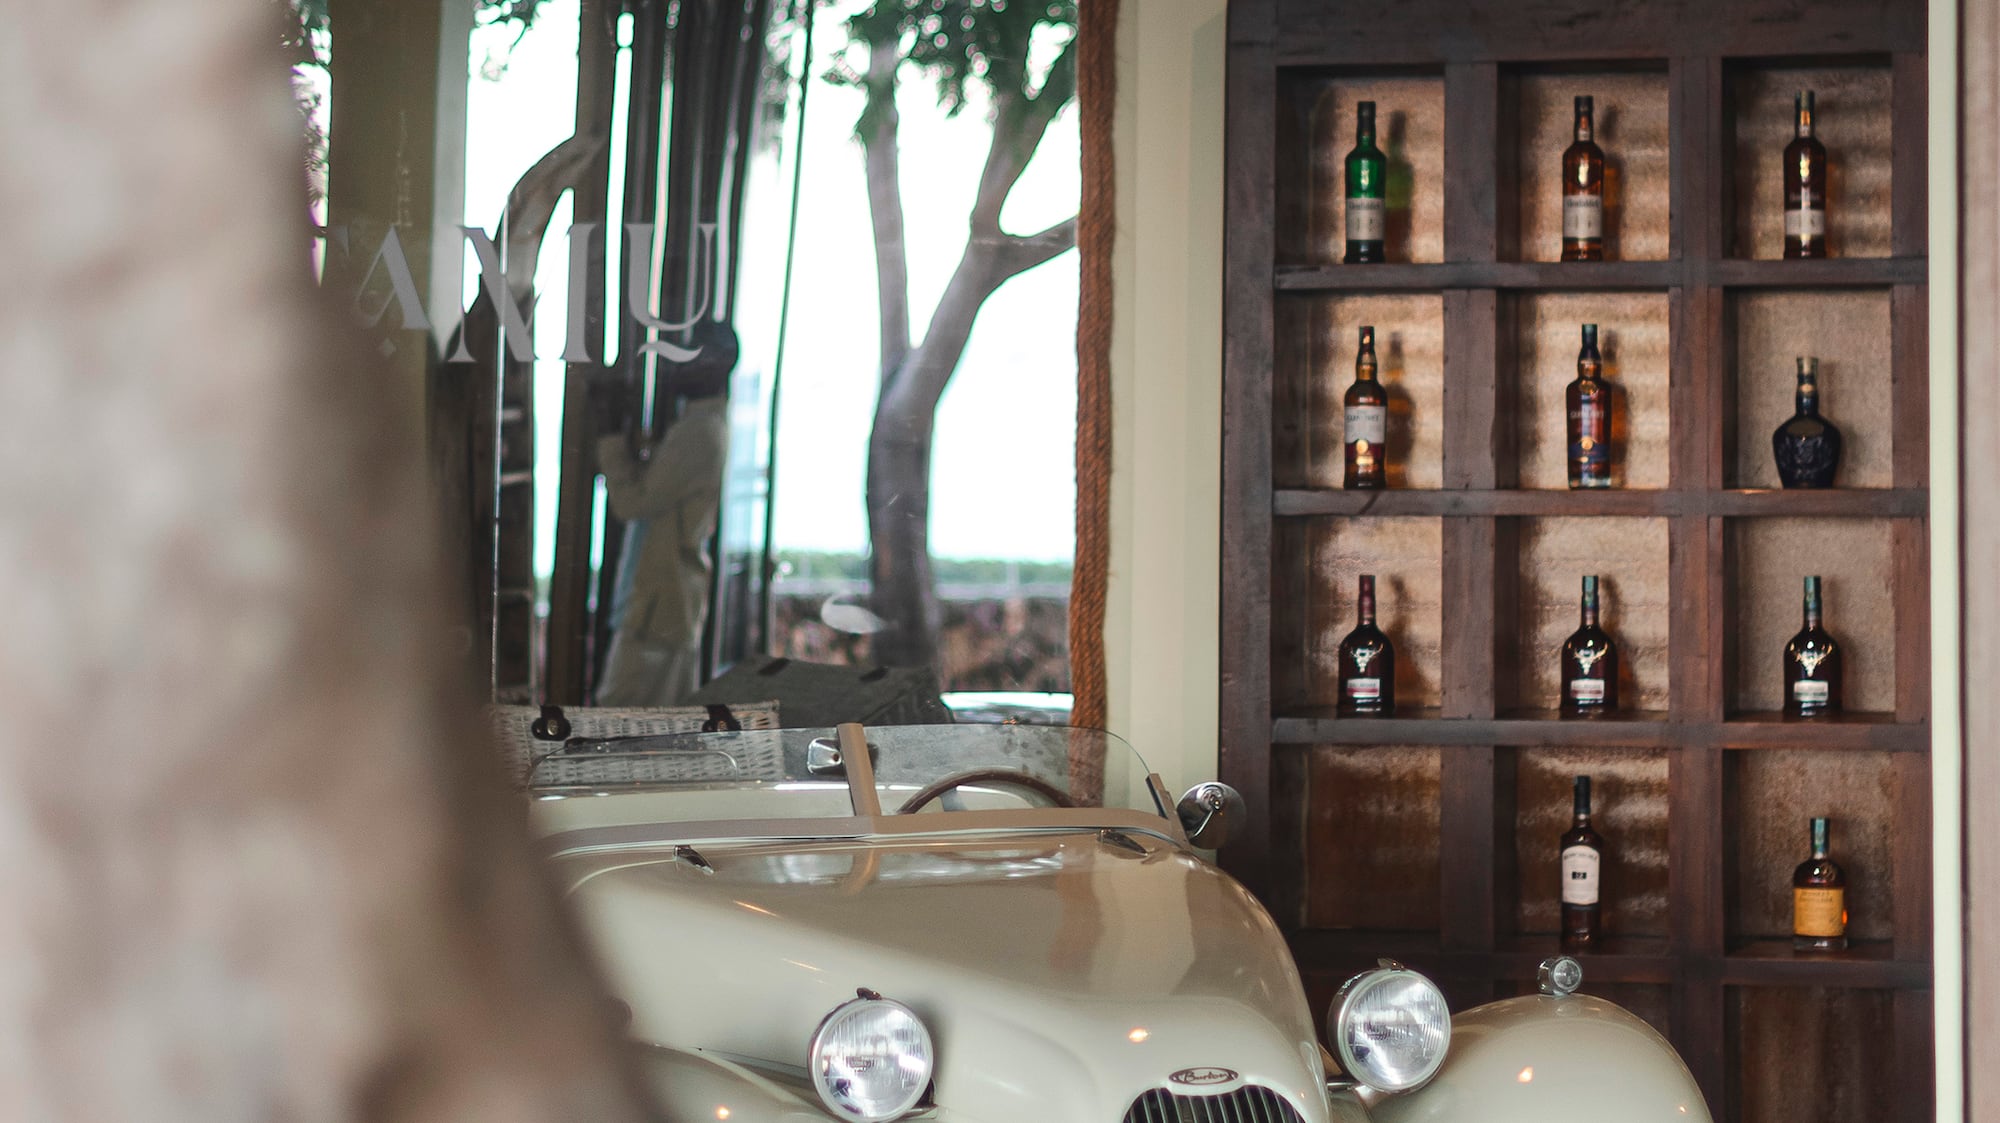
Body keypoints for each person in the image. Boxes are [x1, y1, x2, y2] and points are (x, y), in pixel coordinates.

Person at [594, 320, 737, 706]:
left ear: (717, 367)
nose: (679, 366)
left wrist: (609, 442)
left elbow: (633, 503)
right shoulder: (701, 426)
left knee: (616, 725)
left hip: (658, 614)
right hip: (666, 607)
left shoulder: (699, 431)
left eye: (693, 358)